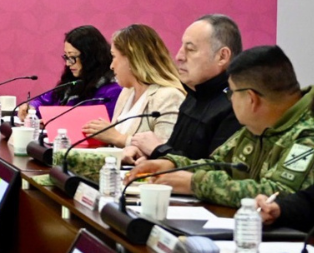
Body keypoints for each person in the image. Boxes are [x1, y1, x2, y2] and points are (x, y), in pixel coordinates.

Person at [131, 46, 314, 207]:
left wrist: (196, 184)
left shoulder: (307, 135)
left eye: (231, 92)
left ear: (251, 99)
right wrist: (172, 164)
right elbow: (218, 164)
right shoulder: (258, 125)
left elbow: (278, 194)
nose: (230, 99)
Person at [125, 14, 242, 162]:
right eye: (182, 47)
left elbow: (215, 170)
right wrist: (146, 154)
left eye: (190, 49)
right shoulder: (193, 96)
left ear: (222, 56)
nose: (179, 57)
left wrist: (158, 150)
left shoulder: (237, 106)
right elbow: (177, 152)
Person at [80, 24, 185, 149]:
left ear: (131, 59)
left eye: (114, 56)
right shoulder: (127, 92)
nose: (111, 66)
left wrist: (117, 138)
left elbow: (167, 151)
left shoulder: (169, 96)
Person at [20, 25, 121, 119]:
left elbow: (102, 125)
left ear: (90, 57)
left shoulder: (112, 91)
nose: (68, 63)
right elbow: (44, 100)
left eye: (72, 57)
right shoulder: (72, 82)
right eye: (66, 57)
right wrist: (32, 107)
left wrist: (56, 121)